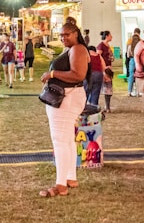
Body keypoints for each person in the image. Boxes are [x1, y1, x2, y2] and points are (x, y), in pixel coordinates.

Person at [38, 21, 90, 198]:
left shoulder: (78, 49)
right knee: (67, 139)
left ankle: (60, 185)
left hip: (67, 98)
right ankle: (70, 178)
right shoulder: (72, 49)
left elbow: (78, 74)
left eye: (66, 34)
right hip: (67, 97)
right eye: (61, 35)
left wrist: (52, 74)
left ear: (76, 33)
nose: (63, 38)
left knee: (60, 140)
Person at [97, 31, 114, 112]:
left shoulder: (108, 45)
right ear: (107, 36)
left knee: (109, 88)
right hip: (104, 69)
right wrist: (102, 68)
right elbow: (98, 56)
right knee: (105, 87)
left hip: (109, 68)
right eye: (110, 35)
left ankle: (107, 106)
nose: (112, 37)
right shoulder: (101, 45)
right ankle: (105, 106)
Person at [127, 29, 141, 96]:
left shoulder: (130, 45)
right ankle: (138, 91)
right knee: (139, 75)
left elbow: (128, 55)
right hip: (139, 60)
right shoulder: (140, 44)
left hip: (132, 60)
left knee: (131, 76)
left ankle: (129, 91)